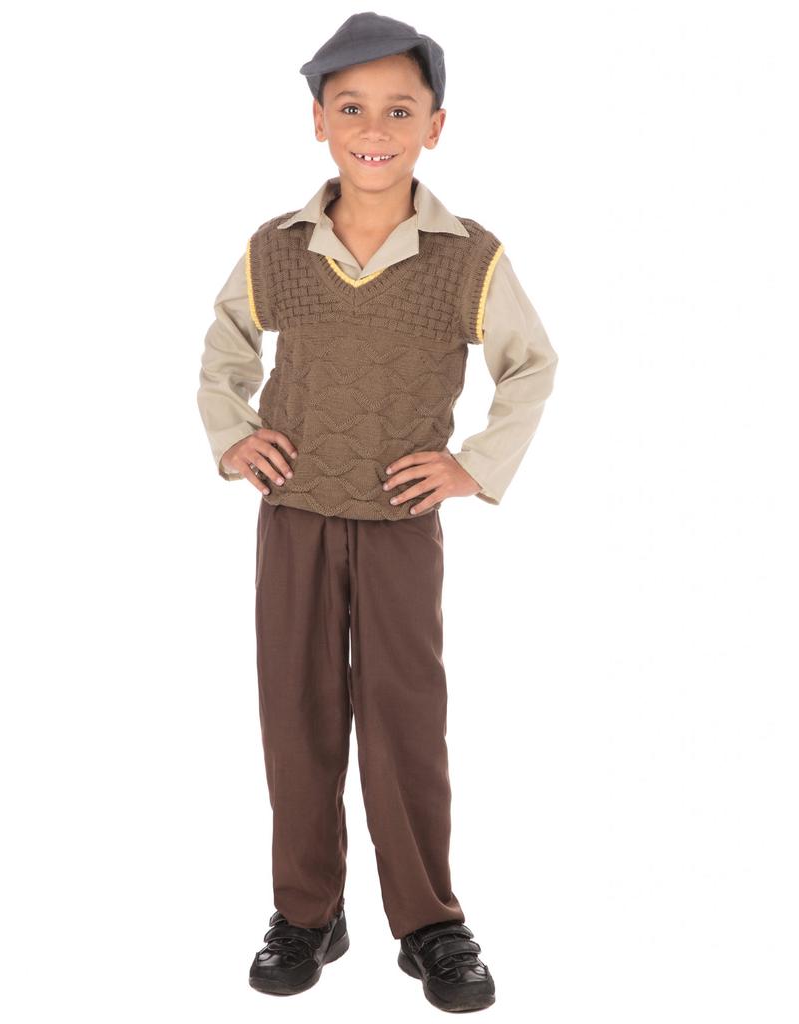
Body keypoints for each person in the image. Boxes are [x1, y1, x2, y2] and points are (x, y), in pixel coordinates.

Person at [196, 12, 558, 1013]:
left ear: (434, 127)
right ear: (319, 121)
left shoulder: (467, 256)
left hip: (401, 518)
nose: (374, 128)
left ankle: (429, 921)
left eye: (400, 110)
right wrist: (233, 435)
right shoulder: (276, 249)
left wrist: (474, 465)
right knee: (297, 713)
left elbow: (531, 365)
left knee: (405, 719)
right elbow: (225, 348)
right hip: (295, 512)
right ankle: (307, 911)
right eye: (350, 107)